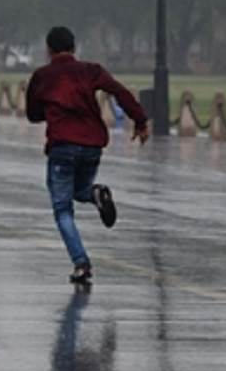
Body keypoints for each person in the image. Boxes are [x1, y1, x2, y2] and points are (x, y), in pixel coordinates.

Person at [26, 26, 149, 284]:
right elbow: (119, 91)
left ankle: (81, 263)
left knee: (62, 209)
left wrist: (51, 109)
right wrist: (139, 120)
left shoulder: (43, 76)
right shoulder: (90, 70)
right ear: (74, 47)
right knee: (80, 188)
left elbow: (33, 114)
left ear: (49, 49)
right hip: (92, 144)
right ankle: (96, 194)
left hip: (62, 145)